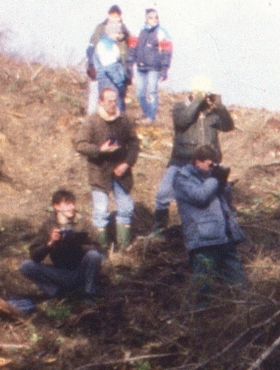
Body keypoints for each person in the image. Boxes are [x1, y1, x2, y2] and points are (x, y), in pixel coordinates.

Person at [0, 190, 103, 317]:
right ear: (56, 206)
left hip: (81, 271)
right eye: (68, 204)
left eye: (73, 204)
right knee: (26, 266)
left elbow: (97, 248)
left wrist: (77, 243)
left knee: (93, 256)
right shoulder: (48, 226)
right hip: (60, 273)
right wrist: (50, 243)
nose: (72, 207)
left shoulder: (81, 223)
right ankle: (57, 294)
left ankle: (90, 296)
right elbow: (35, 256)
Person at [155, 75, 234, 234]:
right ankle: (159, 230)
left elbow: (228, 126)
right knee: (163, 194)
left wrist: (220, 107)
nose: (206, 97)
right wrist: (197, 101)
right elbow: (183, 121)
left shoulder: (211, 112)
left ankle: (226, 227)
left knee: (223, 192)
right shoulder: (180, 107)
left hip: (207, 164)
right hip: (182, 161)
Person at [170, 142, 247, 291]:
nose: (213, 169)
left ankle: (239, 312)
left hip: (224, 237)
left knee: (238, 283)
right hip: (203, 241)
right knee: (202, 286)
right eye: (210, 165)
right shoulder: (182, 179)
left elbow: (226, 203)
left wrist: (224, 184)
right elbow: (200, 196)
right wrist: (215, 180)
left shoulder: (212, 178)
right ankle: (193, 313)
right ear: (198, 161)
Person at [75, 85, 140, 252]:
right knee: (101, 212)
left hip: (120, 172)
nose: (113, 103)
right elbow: (80, 145)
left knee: (126, 208)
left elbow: (134, 143)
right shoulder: (92, 121)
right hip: (99, 171)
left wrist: (127, 163)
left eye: (115, 100)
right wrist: (99, 150)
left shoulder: (124, 120)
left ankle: (123, 248)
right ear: (101, 101)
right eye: (109, 100)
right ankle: (102, 252)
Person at [83, 5, 132, 114]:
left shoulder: (124, 31)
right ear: (108, 15)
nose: (115, 17)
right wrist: (91, 65)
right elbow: (92, 47)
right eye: (113, 15)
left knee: (119, 98)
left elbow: (129, 50)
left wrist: (127, 72)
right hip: (107, 71)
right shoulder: (100, 29)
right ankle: (93, 116)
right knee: (102, 95)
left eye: (117, 15)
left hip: (119, 70)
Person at [131, 9, 173, 124]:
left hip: (154, 67)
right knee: (140, 93)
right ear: (146, 19)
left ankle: (151, 117)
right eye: (151, 17)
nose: (154, 20)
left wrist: (164, 68)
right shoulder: (139, 31)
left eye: (156, 18)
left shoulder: (162, 32)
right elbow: (132, 47)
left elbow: (167, 52)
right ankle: (147, 112)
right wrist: (129, 64)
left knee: (152, 91)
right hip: (140, 66)